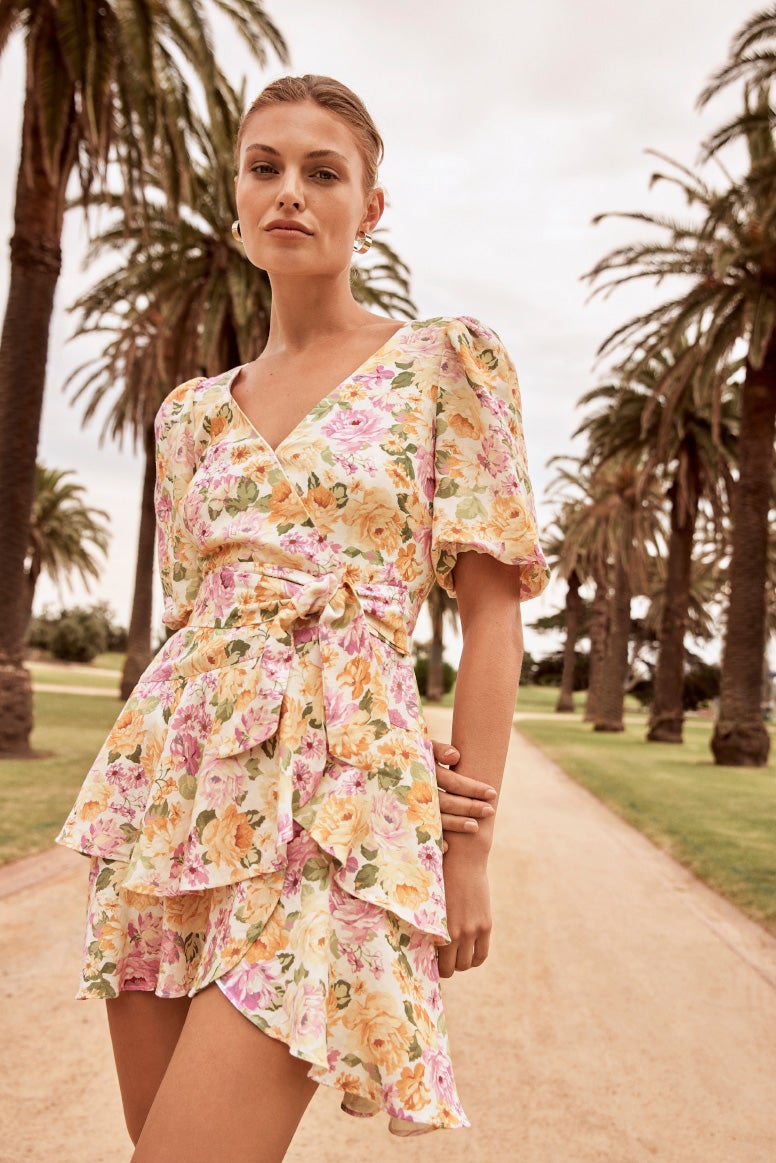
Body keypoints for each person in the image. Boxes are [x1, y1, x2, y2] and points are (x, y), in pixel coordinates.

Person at [55, 74, 549, 1162]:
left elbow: (491, 614)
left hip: (331, 809)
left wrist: (461, 846)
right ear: (236, 198)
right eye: (263, 166)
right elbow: (201, 630)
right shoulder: (189, 416)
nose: (289, 191)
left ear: (369, 207)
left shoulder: (442, 366)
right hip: (167, 799)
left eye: (322, 172)